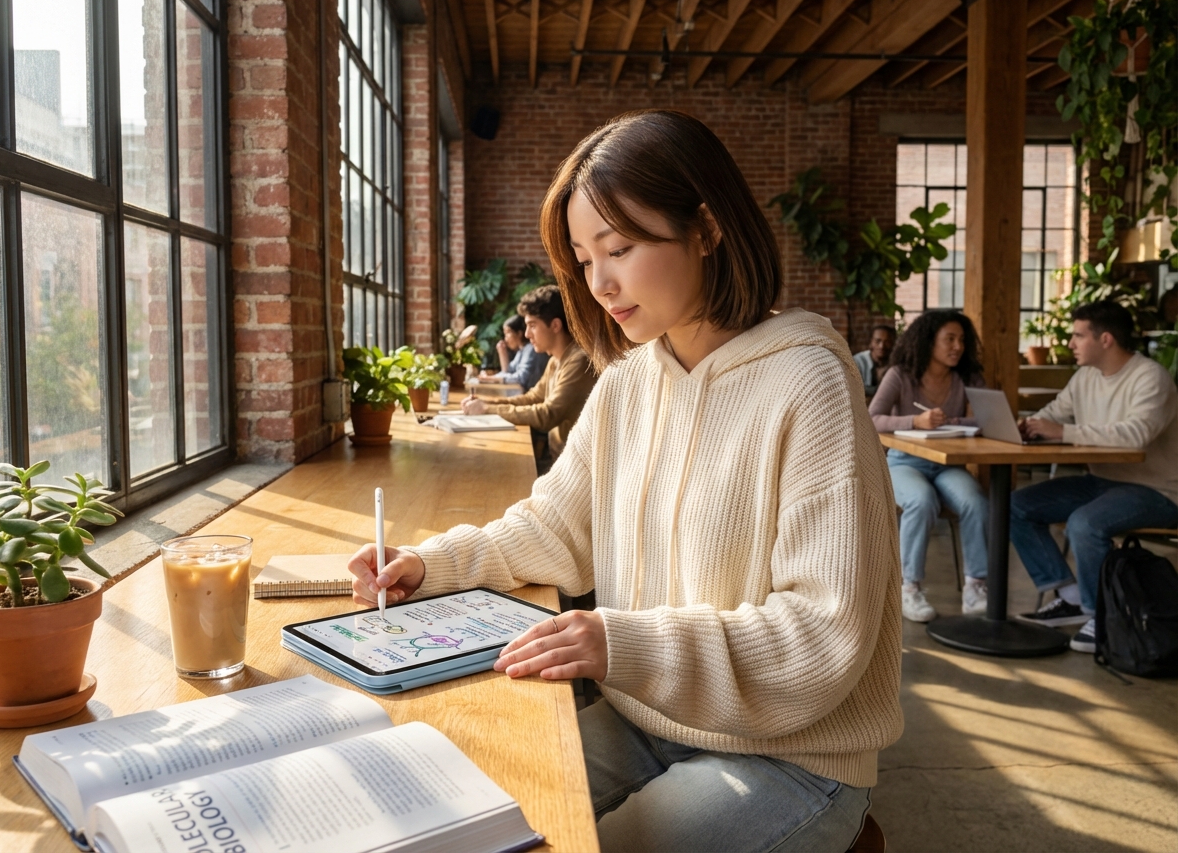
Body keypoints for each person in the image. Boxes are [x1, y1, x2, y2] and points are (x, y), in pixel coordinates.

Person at [349, 110, 902, 853]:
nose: (599, 282)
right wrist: (430, 563)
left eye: (622, 247)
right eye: (582, 258)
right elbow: (556, 530)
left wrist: (622, 645)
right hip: (649, 718)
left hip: (796, 757)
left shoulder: (809, 380)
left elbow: (822, 636)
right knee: (466, 825)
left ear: (706, 229)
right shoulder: (627, 383)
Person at [1011, 300, 1178, 654]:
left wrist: (1061, 432)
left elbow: (1136, 435)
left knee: (1084, 524)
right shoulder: (1084, 377)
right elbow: (1054, 413)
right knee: (1015, 505)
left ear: (1105, 339)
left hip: (1158, 489)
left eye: (1077, 335)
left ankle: (1101, 615)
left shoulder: (1150, 378)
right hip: (1103, 483)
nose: (1070, 343)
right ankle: (1070, 596)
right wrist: (1031, 427)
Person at [869, 310, 989, 623]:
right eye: (949, 339)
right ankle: (910, 588)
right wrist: (915, 421)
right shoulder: (900, 374)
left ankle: (976, 586)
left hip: (948, 465)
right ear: (928, 342)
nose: (958, 346)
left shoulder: (967, 377)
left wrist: (955, 421)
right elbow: (872, 418)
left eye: (962, 340)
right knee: (921, 501)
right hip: (903, 462)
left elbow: (989, 418)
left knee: (976, 502)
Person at [461, 285, 596, 461]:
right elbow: (533, 397)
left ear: (555, 325)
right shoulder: (556, 360)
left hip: (577, 470)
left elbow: (548, 415)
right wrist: (486, 402)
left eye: (532, 326)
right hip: (560, 461)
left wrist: (488, 409)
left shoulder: (579, 360)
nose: (526, 334)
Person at [478, 313, 550, 392]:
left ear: (519, 333)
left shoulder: (531, 349)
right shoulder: (521, 351)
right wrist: (502, 353)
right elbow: (508, 371)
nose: (506, 339)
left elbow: (521, 378)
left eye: (508, 333)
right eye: (505, 334)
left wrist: (491, 378)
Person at [854, 325, 896, 396]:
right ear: (871, 342)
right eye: (877, 341)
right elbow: (854, 389)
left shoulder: (895, 363)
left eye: (887, 342)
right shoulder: (858, 361)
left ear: (892, 343)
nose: (881, 346)